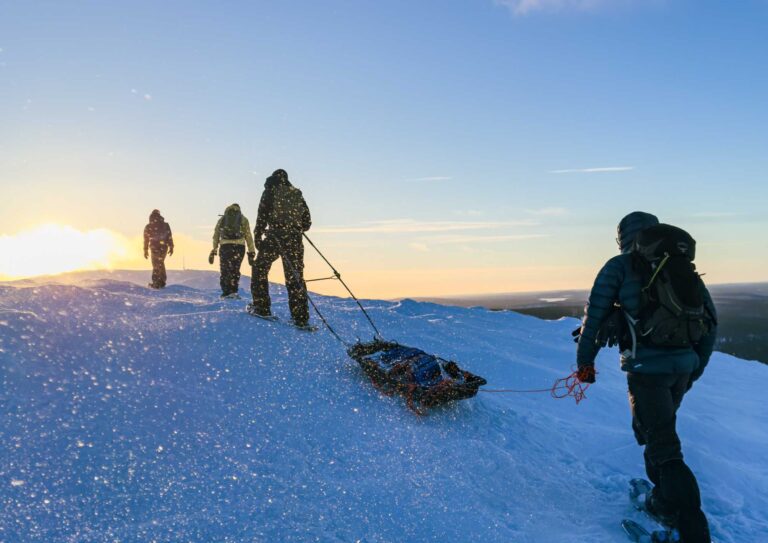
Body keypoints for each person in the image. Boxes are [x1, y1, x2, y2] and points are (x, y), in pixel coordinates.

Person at [575, 211, 717, 543]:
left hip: (646, 372)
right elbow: (711, 324)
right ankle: (665, 504)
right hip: (681, 369)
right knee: (656, 435)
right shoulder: (680, 267)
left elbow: (593, 320)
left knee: (665, 448)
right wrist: (693, 369)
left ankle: (694, 532)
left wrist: (585, 365)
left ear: (622, 237)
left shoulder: (618, 267)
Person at [249, 169, 312, 327]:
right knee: (295, 276)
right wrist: (294, 228)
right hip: (295, 239)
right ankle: (301, 318)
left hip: (275, 236)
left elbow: (262, 215)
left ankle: (261, 307)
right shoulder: (296, 193)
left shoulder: (270, 191)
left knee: (259, 269)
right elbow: (307, 222)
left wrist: (258, 236)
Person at [209, 203, 255, 298]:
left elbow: (216, 236)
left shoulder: (222, 219)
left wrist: (214, 250)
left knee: (225, 269)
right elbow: (249, 236)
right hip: (239, 247)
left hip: (225, 246)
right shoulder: (243, 219)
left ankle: (226, 292)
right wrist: (251, 252)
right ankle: (233, 291)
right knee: (235, 269)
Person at [143, 209, 174, 289]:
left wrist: (145, 250)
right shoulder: (166, 225)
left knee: (156, 264)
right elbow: (169, 237)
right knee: (160, 263)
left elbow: (146, 239)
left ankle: (157, 282)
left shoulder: (148, 226)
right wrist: (171, 247)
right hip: (164, 247)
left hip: (154, 247)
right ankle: (161, 281)